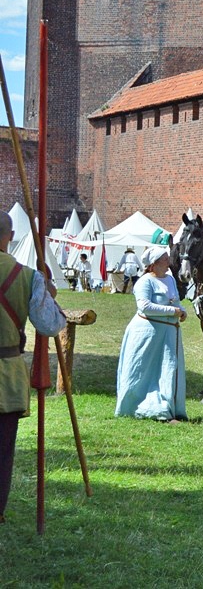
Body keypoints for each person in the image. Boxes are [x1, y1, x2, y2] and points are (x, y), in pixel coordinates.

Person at [0, 212, 67, 523]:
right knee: (1, 453)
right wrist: (48, 295)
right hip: (7, 379)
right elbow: (50, 325)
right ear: (10, 236)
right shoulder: (27, 276)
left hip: (8, 375)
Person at [115, 246, 188, 422]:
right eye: (164, 258)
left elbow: (176, 301)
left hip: (169, 334)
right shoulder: (144, 282)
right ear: (153, 264)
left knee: (167, 369)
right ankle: (143, 407)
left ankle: (169, 408)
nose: (168, 261)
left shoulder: (170, 280)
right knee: (144, 372)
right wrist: (172, 311)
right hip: (146, 334)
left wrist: (182, 311)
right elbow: (144, 307)